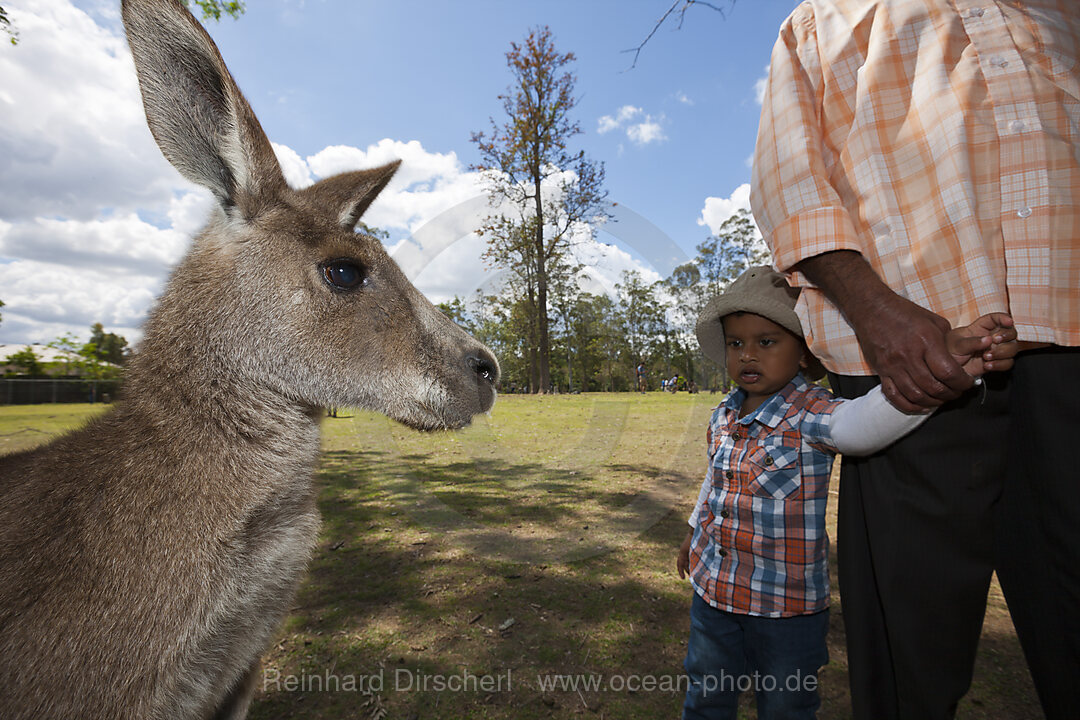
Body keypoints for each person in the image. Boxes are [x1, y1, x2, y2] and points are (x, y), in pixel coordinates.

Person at [750, 2, 1080, 717]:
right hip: (909, 366)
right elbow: (788, 181)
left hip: (1072, 341)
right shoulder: (818, 21)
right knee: (908, 666)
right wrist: (876, 312)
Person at [676, 267, 1016, 720]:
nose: (747, 355)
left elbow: (861, 427)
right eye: (736, 343)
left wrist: (939, 372)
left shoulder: (811, 413)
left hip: (783, 608)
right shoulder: (723, 414)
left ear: (802, 352)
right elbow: (715, 481)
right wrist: (693, 530)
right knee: (705, 695)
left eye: (766, 341)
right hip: (713, 595)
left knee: (785, 706)